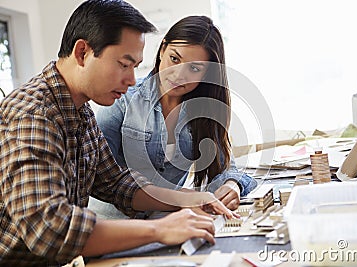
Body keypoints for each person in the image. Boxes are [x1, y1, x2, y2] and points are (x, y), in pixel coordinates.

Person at [0, 1, 236, 266]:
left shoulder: (80, 112)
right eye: (125, 65)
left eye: (135, 66)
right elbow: (48, 228)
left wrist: (187, 199)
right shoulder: (34, 114)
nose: (133, 79)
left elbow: (116, 183)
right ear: (82, 53)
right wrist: (161, 229)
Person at [95, 15, 257, 213]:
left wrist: (233, 185)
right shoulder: (121, 100)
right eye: (174, 59)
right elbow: (98, 175)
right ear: (162, 50)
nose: (179, 75)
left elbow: (224, 169)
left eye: (194, 68)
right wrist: (181, 196)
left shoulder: (203, 111)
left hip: (168, 224)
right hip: (114, 226)